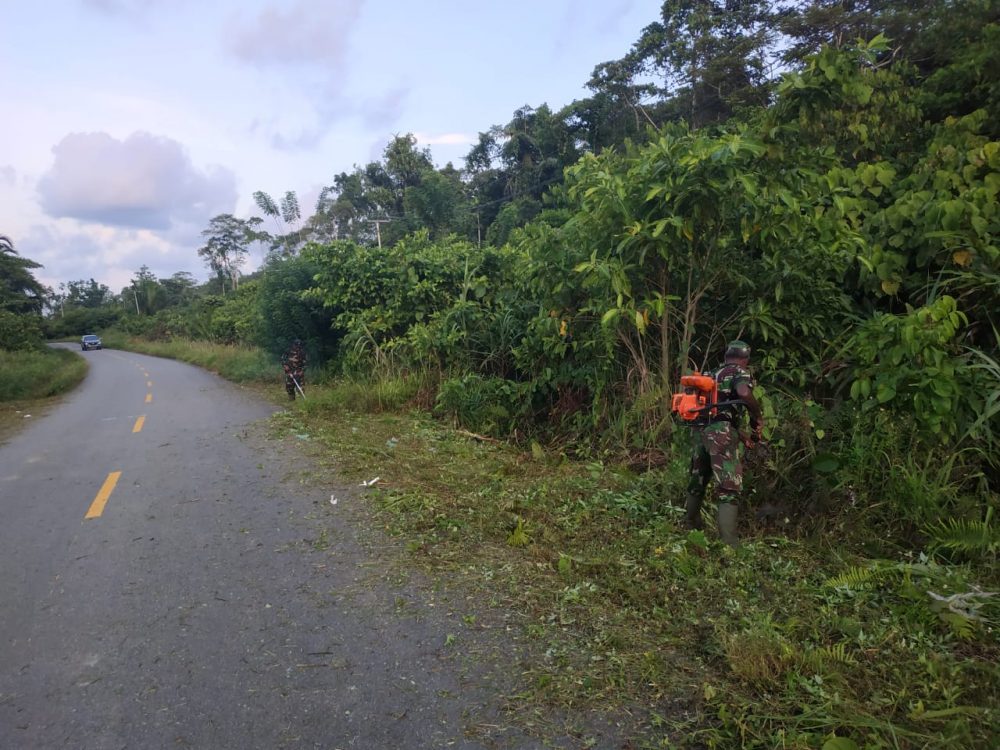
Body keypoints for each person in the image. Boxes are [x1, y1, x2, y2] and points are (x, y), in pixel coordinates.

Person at [684, 340, 764, 546]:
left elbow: (719, 413)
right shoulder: (739, 372)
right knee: (729, 487)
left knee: (698, 479)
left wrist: (742, 435)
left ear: (726, 356)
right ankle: (729, 543)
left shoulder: (711, 374)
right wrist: (757, 416)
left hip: (701, 432)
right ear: (745, 359)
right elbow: (744, 393)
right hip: (720, 434)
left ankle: (689, 523)